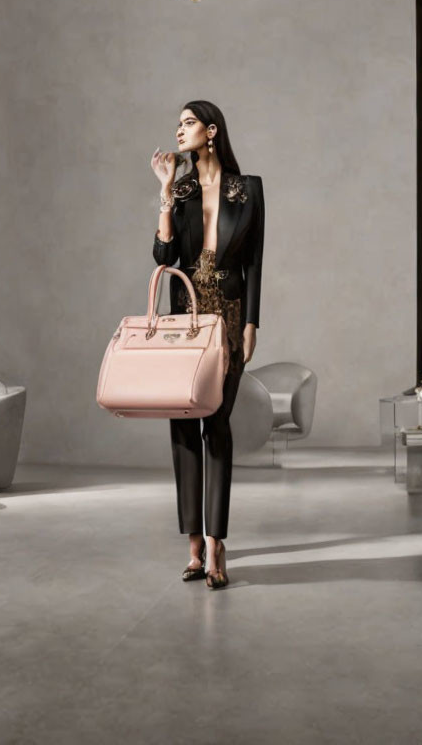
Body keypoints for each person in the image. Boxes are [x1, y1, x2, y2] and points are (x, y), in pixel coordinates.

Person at [151, 99, 265, 590]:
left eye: (188, 123)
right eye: (177, 124)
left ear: (212, 131)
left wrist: (252, 323)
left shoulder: (249, 190)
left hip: (231, 316)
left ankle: (217, 543)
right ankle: (193, 544)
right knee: (182, 427)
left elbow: (255, 261)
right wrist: (163, 197)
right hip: (187, 319)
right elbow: (162, 254)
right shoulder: (181, 189)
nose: (179, 131)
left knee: (216, 425)